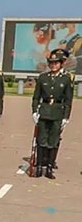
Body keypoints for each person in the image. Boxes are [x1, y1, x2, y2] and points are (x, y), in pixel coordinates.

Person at [31, 49, 73, 179]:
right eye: (51, 63)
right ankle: (39, 167)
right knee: (41, 140)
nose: (53, 65)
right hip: (44, 111)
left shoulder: (66, 79)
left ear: (61, 64)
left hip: (57, 112)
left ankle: (49, 167)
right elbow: (36, 97)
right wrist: (35, 111)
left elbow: (68, 100)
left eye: (56, 63)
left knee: (53, 141)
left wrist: (66, 117)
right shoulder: (43, 77)